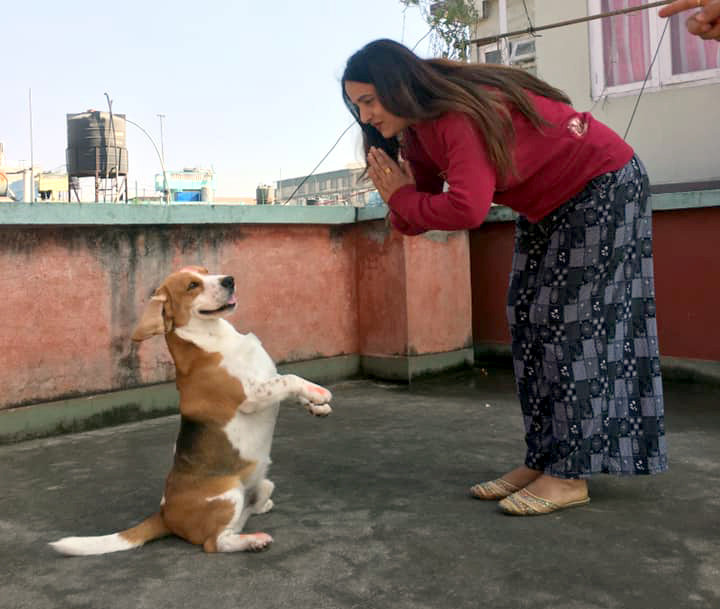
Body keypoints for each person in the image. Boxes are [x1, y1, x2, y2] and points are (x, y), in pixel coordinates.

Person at [341, 39, 668, 516]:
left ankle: (569, 473)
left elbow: (467, 208)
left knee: (566, 327)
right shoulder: (418, 135)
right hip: (548, 205)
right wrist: (399, 198)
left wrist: (405, 199)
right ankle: (544, 460)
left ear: (398, 85)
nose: (365, 116)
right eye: (356, 106)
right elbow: (423, 207)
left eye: (369, 100)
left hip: (603, 184)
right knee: (527, 318)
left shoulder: (455, 115)